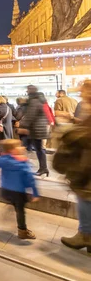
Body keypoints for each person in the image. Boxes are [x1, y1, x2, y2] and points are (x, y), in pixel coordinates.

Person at [54, 80, 91, 252]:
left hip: (87, 162)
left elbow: (86, 134)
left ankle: (85, 235)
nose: (80, 95)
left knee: (85, 195)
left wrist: (68, 132)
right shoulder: (85, 108)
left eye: (82, 92)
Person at [0, 139, 39, 239]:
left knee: (14, 203)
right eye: (19, 146)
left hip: (5, 192)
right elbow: (30, 180)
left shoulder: (4, 160)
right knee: (20, 211)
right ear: (12, 150)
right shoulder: (23, 163)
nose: (22, 147)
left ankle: (10, 206)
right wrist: (35, 193)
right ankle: (22, 231)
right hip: (19, 193)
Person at [18, 86, 50, 177]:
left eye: (28, 90)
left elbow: (30, 115)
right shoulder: (38, 100)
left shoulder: (34, 101)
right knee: (38, 149)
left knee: (25, 147)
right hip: (37, 128)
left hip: (35, 129)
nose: (26, 91)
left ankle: (24, 167)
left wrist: (23, 126)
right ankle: (43, 168)